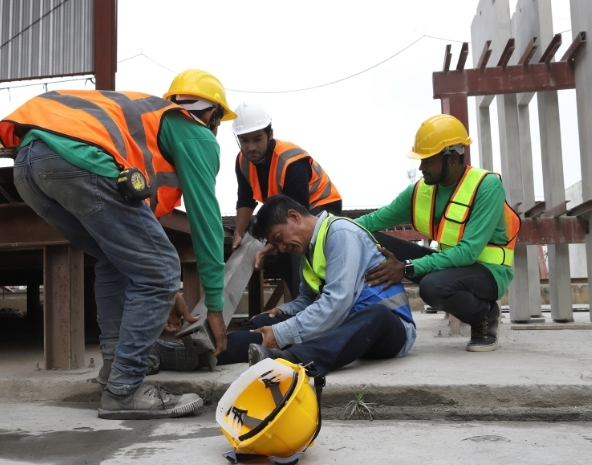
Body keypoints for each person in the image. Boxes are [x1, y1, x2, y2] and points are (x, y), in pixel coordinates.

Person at [0, 69, 235, 419]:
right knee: (161, 269)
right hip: (76, 159)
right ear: (212, 115)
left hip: (29, 165)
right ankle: (125, 390)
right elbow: (206, 219)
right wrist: (214, 304)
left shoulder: (147, 126)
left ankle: (115, 372)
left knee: (114, 260)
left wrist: (168, 292)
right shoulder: (194, 132)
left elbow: (136, 248)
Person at [355, 114, 520, 352]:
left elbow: (468, 253)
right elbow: (372, 221)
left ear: (452, 158)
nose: (421, 167)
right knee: (369, 238)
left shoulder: (487, 187)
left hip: (487, 272)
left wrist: (407, 267)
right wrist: (326, 229)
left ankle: (485, 315)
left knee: (432, 287)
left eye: (428, 161)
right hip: (451, 266)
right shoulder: (421, 190)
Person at [216, 195, 416, 375]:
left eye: (279, 239)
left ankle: (291, 359)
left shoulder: (341, 233)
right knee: (265, 322)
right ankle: (210, 352)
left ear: (294, 217)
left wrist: (282, 333)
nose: (282, 249)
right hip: (342, 324)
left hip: (389, 329)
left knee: (376, 315)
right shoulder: (308, 250)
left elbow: (337, 302)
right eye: (276, 245)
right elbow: (308, 300)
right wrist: (283, 311)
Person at [230, 102, 342, 298]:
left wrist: (265, 248)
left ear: (270, 134)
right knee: (283, 261)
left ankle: (317, 306)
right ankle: (302, 305)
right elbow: (246, 200)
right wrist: (238, 232)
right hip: (287, 212)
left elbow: (296, 218)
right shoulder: (242, 162)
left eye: (257, 139)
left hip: (320, 206)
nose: (251, 147)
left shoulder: (291, 160)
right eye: (244, 141)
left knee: (297, 251)